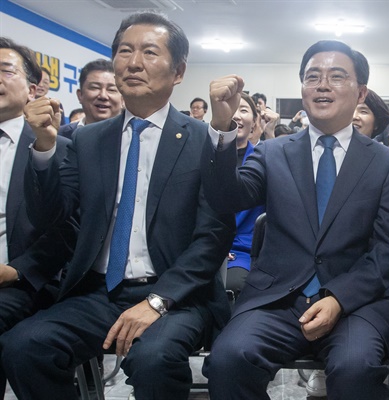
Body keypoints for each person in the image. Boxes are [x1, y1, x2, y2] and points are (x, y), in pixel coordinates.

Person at [0, 12, 235, 400]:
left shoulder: (202, 140)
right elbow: (54, 219)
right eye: (125, 51)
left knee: (154, 360)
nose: (134, 62)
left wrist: (157, 302)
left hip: (175, 295)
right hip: (97, 293)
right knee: (25, 346)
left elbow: (213, 235)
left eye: (149, 52)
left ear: (178, 71)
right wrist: (44, 148)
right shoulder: (87, 139)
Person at [202, 39, 389, 400]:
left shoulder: (386, 163)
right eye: (313, 77)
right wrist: (221, 127)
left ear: (361, 92)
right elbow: (225, 198)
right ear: (302, 89)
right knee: (228, 360)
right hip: (279, 300)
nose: (323, 84)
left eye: (336, 76)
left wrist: (339, 298)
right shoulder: (272, 152)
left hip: (356, 304)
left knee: (356, 369)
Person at [0, 36, 77, 398]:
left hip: (25, 279)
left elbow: (68, 228)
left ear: (33, 89)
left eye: (4, 70)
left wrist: (17, 270)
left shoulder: (58, 147)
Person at [226, 92, 266, 296]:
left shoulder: (265, 159)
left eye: (243, 110)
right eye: (231, 109)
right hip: (207, 245)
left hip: (244, 249)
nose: (236, 116)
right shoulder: (204, 155)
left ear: (255, 121)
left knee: (233, 284)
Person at [58, 59, 123, 139]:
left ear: (123, 99)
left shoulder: (133, 138)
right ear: (80, 95)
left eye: (111, 89)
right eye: (95, 87)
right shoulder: (59, 136)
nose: (103, 96)